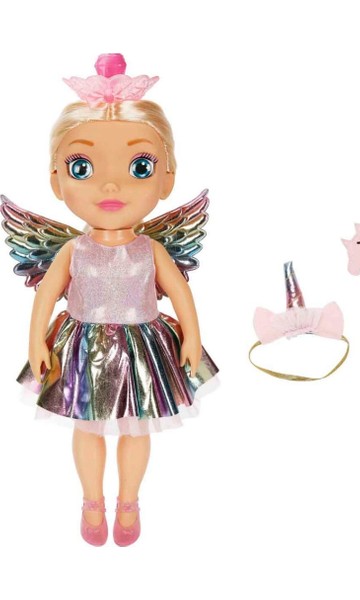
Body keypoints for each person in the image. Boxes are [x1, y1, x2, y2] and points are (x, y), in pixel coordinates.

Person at [0, 53, 218, 547]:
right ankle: (92, 501)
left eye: (141, 166)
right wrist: (36, 340)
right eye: (82, 167)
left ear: (167, 179)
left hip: (143, 347)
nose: (111, 184)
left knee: (137, 429)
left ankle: (130, 501)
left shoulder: (151, 249)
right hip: (84, 347)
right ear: (56, 181)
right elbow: (47, 295)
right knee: (88, 426)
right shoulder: (73, 250)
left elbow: (179, 292)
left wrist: (192, 337)